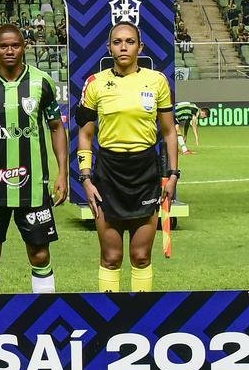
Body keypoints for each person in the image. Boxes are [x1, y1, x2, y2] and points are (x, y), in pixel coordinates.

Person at [0, 24, 68, 294]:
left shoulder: (42, 82)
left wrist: (63, 173)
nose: (9, 51)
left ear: (24, 47)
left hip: (33, 188)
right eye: (3, 46)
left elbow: (56, 128)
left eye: (15, 45)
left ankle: (44, 319)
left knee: (40, 254)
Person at [76, 22, 178, 293]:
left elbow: (169, 133)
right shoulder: (94, 84)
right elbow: (85, 136)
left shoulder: (157, 81)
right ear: (109, 47)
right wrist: (85, 178)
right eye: (118, 41)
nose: (123, 46)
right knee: (111, 258)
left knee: (141, 257)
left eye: (130, 41)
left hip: (146, 172)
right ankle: (109, 320)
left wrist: (172, 176)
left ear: (140, 47)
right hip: (108, 173)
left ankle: (139, 319)